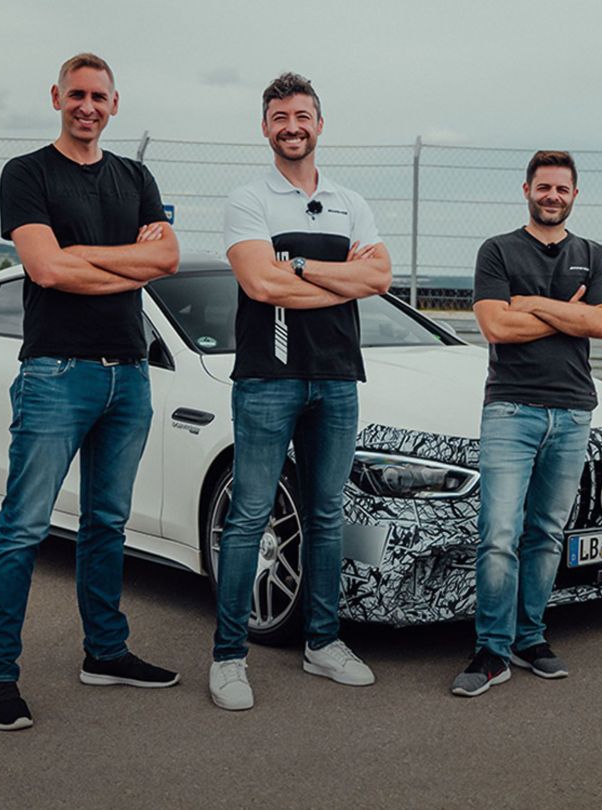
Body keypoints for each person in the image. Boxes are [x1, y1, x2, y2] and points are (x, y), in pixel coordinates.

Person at [0, 53, 181, 731]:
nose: (87, 105)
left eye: (100, 96)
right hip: (56, 373)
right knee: (22, 528)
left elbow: (167, 260)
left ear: (115, 105)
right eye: (77, 94)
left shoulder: (135, 176)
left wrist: (80, 258)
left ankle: (107, 653)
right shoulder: (27, 173)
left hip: (129, 373)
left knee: (106, 525)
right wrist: (123, 261)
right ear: (56, 97)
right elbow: (43, 268)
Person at [209, 72, 392, 711]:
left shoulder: (350, 201)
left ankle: (323, 643)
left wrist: (304, 267)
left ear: (320, 123)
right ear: (266, 127)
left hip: (338, 377)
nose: (293, 126)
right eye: (280, 116)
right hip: (268, 378)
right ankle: (229, 656)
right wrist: (342, 279)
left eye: (303, 115)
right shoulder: (247, 200)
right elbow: (262, 287)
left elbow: (380, 278)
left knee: (325, 515)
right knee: (249, 517)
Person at [451, 151, 602, 697]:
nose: (551, 196)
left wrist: (533, 304)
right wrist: (564, 312)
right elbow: (496, 327)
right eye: (542, 186)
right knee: (498, 535)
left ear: (575, 195)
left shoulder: (594, 254)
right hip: (511, 409)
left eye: (561, 188)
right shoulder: (497, 251)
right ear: (526, 189)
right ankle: (492, 650)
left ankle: (530, 637)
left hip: (572, 412)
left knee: (545, 533)